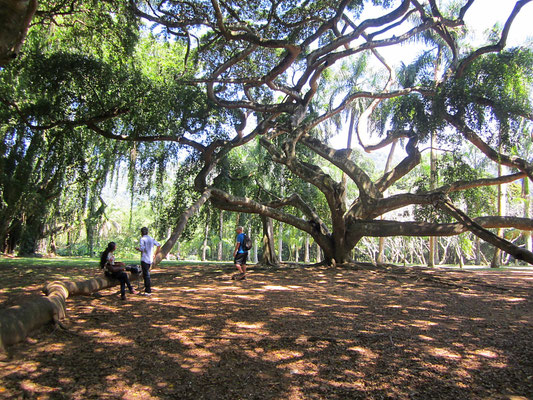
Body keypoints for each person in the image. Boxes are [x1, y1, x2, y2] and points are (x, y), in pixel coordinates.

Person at [135, 227, 161, 295]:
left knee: (146, 274)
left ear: (141, 233)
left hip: (144, 258)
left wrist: (138, 249)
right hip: (150, 259)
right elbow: (158, 245)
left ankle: (148, 290)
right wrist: (155, 254)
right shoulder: (151, 238)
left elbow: (142, 249)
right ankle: (147, 288)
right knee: (147, 273)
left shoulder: (142, 239)